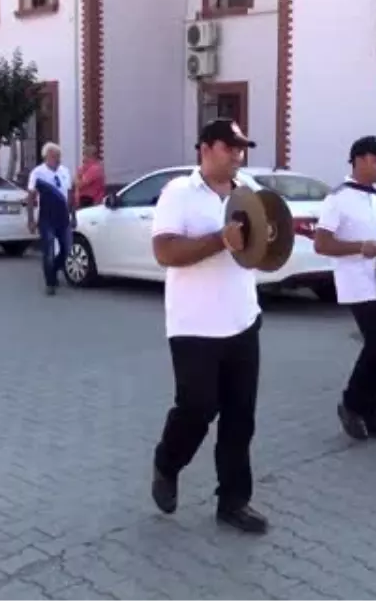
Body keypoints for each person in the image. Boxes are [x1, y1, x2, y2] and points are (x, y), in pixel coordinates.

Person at [149, 118, 269, 535]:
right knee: (197, 409)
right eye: (230, 147)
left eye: (241, 148)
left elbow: (265, 248)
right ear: (205, 148)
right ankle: (168, 463)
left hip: (242, 321)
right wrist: (220, 239)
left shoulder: (247, 190)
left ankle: (234, 502)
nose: (238, 154)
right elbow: (164, 251)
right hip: (194, 327)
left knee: (240, 418)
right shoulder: (179, 193)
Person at [315, 136, 376, 441]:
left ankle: (371, 411)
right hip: (357, 283)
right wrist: (358, 248)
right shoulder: (338, 199)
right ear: (360, 160)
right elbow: (321, 243)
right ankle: (351, 404)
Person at [26, 143, 76, 296]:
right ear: (46, 156)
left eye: (59, 156)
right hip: (46, 217)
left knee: (67, 249)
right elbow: (31, 197)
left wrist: (73, 215)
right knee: (48, 251)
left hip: (63, 217)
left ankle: (54, 269)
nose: (57, 159)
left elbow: (70, 195)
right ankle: (50, 282)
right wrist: (30, 220)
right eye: (54, 156)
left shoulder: (65, 171)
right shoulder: (38, 173)